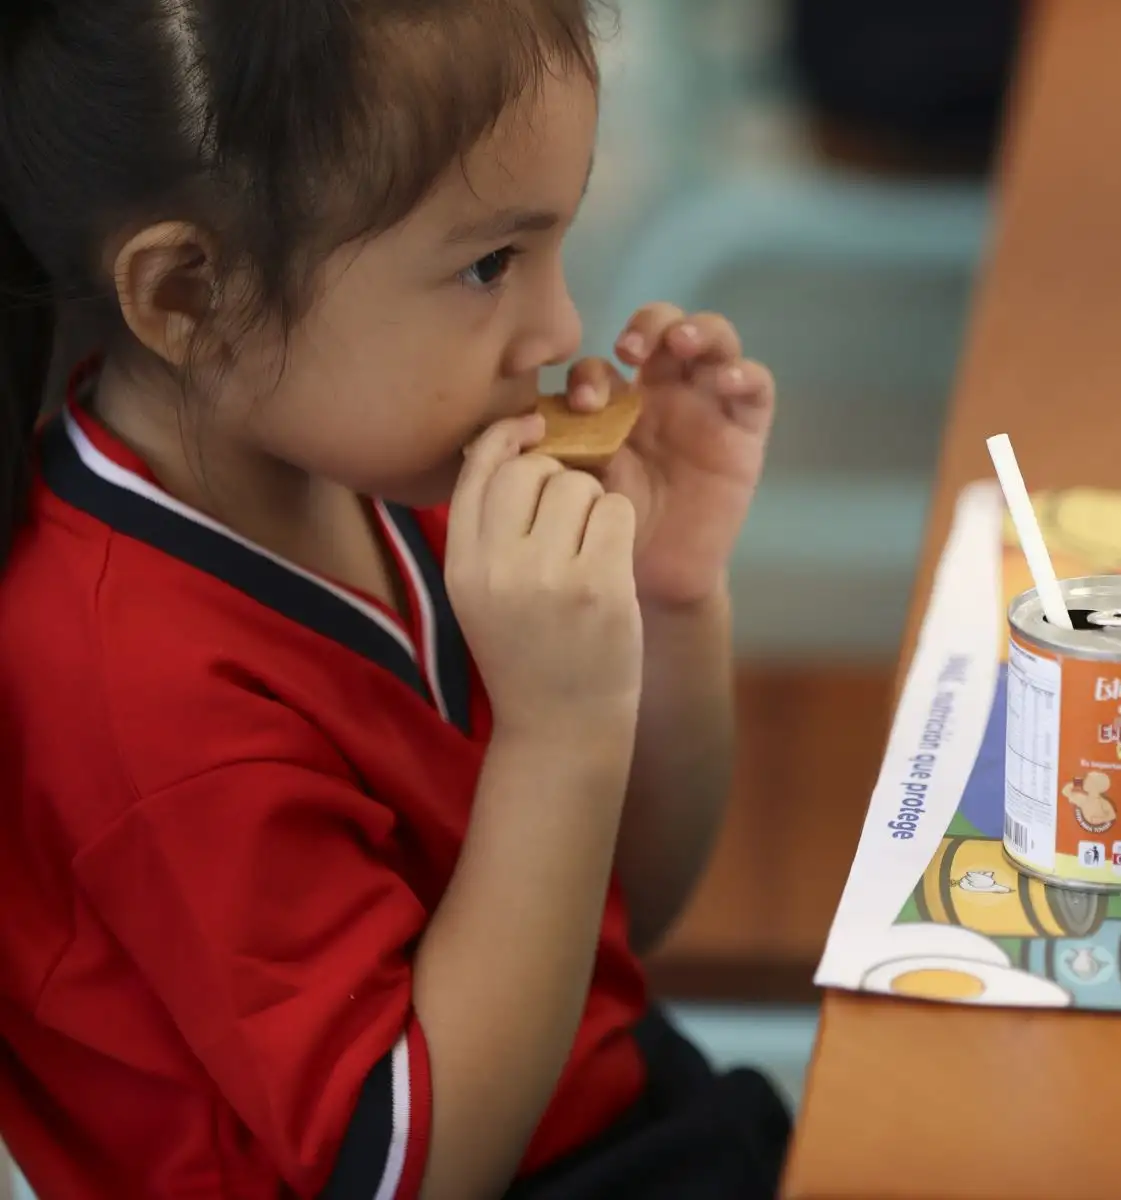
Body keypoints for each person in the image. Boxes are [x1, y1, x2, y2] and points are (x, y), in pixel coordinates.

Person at [0, 2, 788, 1197]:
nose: (563, 328)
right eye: (489, 264)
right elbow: (407, 1166)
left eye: (556, 242)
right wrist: (559, 732)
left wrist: (666, 599)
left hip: (617, 1113)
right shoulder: (134, 689)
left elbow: (625, 913)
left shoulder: (385, 460)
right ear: (188, 297)